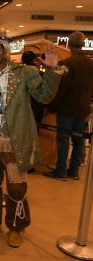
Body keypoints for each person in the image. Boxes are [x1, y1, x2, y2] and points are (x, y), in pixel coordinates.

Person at [0, 28, 63, 248]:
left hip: (15, 142)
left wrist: (52, 70)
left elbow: (44, 95)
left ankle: (16, 227)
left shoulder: (24, 72)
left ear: (5, 48)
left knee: (16, 188)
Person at [43, 31, 93, 181]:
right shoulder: (91, 64)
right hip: (83, 109)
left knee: (63, 140)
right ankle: (74, 171)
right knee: (78, 141)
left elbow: (61, 89)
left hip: (67, 109)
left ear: (70, 45)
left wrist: (52, 106)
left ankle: (61, 171)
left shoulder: (66, 64)